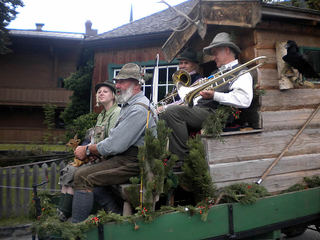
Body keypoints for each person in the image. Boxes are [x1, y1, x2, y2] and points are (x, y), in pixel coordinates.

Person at [71, 63, 157, 223]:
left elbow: (115, 145)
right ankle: (115, 216)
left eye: (123, 82)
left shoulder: (138, 110)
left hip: (136, 162)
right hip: (125, 158)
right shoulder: (129, 106)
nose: (117, 85)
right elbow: (114, 141)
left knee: (82, 177)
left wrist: (88, 150)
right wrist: (96, 153)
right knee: (86, 172)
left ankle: (75, 229)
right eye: (117, 81)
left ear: (137, 84)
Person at [160, 32, 253, 164]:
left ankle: (181, 159)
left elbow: (244, 99)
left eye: (216, 53)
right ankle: (170, 154)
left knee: (172, 112)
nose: (213, 57)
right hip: (203, 110)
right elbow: (196, 97)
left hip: (215, 114)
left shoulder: (241, 72)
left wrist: (215, 95)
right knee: (166, 113)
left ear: (227, 50)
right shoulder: (216, 73)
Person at [57, 81, 120, 221]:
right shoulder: (101, 115)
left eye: (105, 91)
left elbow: (111, 142)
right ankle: (62, 212)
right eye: (99, 92)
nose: (101, 93)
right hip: (96, 156)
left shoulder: (116, 113)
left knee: (77, 173)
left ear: (113, 96)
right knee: (69, 169)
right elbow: (95, 141)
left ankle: (68, 217)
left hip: (109, 160)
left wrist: (89, 152)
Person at [157, 48, 202, 113]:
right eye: (181, 63)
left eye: (186, 63)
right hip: (173, 111)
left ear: (194, 65)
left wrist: (164, 107)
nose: (182, 66)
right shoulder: (179, 79)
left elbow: (185, 100)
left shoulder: (198, 79)